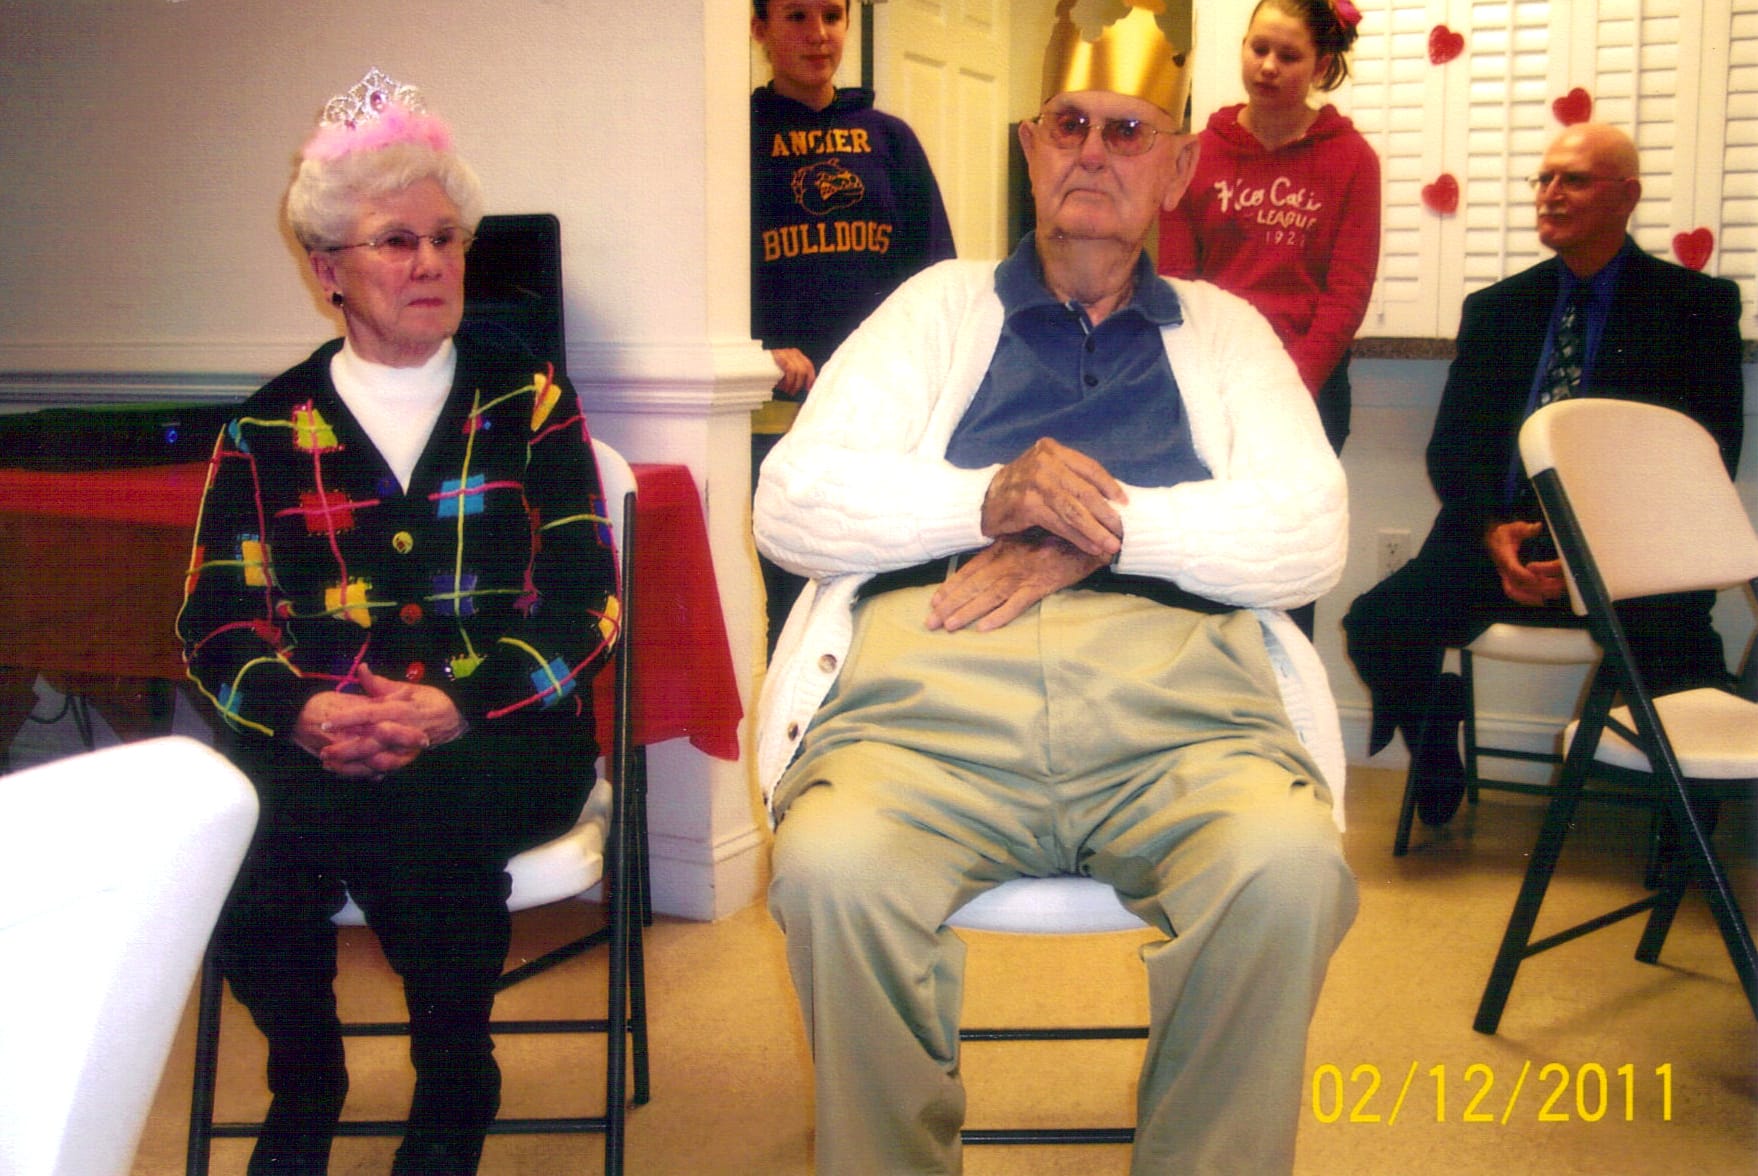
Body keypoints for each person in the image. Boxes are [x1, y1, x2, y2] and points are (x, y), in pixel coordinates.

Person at [754, 4, 1357, 1171]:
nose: (1093, 152)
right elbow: (790, 502)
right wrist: (990, 499)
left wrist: (1106, 532)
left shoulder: (1228, 334)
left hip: (1184, 711)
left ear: (1179, 166)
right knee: (833, 873)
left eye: (1130, 132)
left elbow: (1312, 531)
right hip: (932, 697)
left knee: (1284, 872)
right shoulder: (934, 309)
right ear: (1031, 149)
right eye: (1070, 125)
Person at [177, 69, 619, 1175]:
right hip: (321, 728)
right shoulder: (266, 427)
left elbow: (586, 604)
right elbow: (215, 621)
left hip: (504, 730)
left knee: (422, 820)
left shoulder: (529, 400)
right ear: (327, 269)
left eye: (445, 239)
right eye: (396, 242)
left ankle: (456, 1075)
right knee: (236, 842)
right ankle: (307, 1077)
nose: (430, 263)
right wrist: (302, 710)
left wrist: (456, 705)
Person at [1343, 122, 1743, 828]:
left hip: (1631, 559)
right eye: (1545, 179)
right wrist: (1492, 531)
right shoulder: (1498, 308)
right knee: (1378, 622)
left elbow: (1708, 458)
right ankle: (1434, 738)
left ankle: (1684, 837)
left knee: (1684, 659)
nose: (1550, 194)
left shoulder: (1694, 306)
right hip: (1504, 541)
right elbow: (1453, 448)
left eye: (1574, 180)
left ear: (1627, 197)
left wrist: (1600, 548)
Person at [1158, 0, 1378, 640]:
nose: (1269, 67)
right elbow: (1178, 281)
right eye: (1259, 48)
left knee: (1284, 569)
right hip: (1208, 387)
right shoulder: (1198, 151)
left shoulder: (1353, 160)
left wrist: (1283, 391)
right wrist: (1210, 385)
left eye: (1289, 55)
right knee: (1201, 562)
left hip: (1306, 391)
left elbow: (1347, 293)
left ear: (1322, 66)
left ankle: (1286, 698)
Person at [750, 0, 956, 652]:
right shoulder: (737, 138)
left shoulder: (890, 139)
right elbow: (710, 268)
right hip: (785, 412)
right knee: (795, 601)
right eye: (796, 16)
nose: (818, 35)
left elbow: (936, 274)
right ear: (759, 29)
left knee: (892, 592)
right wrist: (760, 350)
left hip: (884, 408)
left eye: (832, 15)